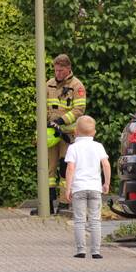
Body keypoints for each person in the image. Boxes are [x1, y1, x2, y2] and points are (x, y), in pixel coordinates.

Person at [34, 53, 87, 215]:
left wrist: (61, 121)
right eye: (56, 70)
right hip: (51, 134)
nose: (57, 74)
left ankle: (64, 204)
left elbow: (79, 110)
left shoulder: (77, 86)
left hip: (67, 134)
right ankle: (47, 205)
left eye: (61, 71)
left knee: (65, 168)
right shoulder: (49, 84)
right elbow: (41, 106)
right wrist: (44, 125)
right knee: (47, 169)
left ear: (68, 69)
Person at [63, 116, 111, 259]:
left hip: (79, 188)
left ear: (75, 131)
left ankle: (81, 250)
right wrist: (106, 183)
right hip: (95, 188)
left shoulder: (73, 147)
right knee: (95, 220)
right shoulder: (98, 146)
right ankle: (96, 251)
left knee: (79, 220)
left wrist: (68, 188)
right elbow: (106, 164)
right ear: (94, 132)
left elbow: (70, 168)